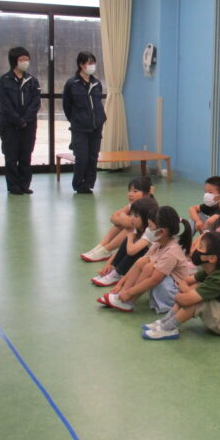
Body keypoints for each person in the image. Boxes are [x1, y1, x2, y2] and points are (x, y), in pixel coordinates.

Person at [142, 231, 220, 341]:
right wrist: (185, 291)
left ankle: (168, 328)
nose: (195, 249)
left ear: (212, 258)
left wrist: (180, 295)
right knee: (195, 291)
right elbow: (186, 280)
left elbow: (185, 297)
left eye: (200, 247)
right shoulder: (213, 269)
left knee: (196, 301)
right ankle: (166, 321)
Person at [101, 206, 192, 313]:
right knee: (142, 261)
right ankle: (122, 297)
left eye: (150, 226)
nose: (147, 230)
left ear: (161, 231)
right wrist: (120, 286)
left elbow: (154, 280)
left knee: (149, 266)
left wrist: (129, 293)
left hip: (173, 294)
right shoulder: (158, 243)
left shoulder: (172, 252)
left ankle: (129, 300)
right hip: (164, 285)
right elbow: (137, 265)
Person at [0, 46, 41, 195]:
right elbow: (5, 104)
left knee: (25, 156)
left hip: (28, 125)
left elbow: (36, 102)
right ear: (14, 61)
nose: (25, 62)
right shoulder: (5, 80)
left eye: (27, 59)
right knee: (11, 157)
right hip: (10, 125)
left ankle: (24, 185)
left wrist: (26, 119)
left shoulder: (32, 80)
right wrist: (17, 120)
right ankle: (13, 186)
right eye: (22, 59)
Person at [62, 51, 107, 194]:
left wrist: (100, 119)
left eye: (94, 63)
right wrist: (76, 120)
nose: (92, 66)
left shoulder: (96, 83)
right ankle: (78, 184)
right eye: (89, 63)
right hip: (80, 128)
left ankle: (88, 184)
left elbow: (98, 103)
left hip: (96, 127)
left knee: (93, 157)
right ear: (81, 65)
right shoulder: (72, 83)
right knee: (81, 157)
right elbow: (67, 106)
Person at [81, 176, 154, 262]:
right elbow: (113, 217)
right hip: (135, 237)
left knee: (129, 227)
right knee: (120, 224)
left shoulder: (148, 207)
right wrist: (122, 220)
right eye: (129, 191)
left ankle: (106, 250)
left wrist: (123, 217)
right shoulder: (133, 205)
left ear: (146, 194)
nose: (130, 194)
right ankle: (101, 247)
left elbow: (129, 223)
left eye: (135, 191)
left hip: (144, 244)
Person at [92, 196, 157, 287]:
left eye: (136, 216)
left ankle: (117, 274)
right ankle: (113, 270)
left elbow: (131, 251)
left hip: (154, 262)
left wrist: (130, 236)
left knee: (136, 247)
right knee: (128, 242)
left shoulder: (149, 232)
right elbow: (122, 250)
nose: (132, 218)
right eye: (131, 214)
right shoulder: (138, 227)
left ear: (146, 219)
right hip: (143, 260)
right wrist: (109, 264)